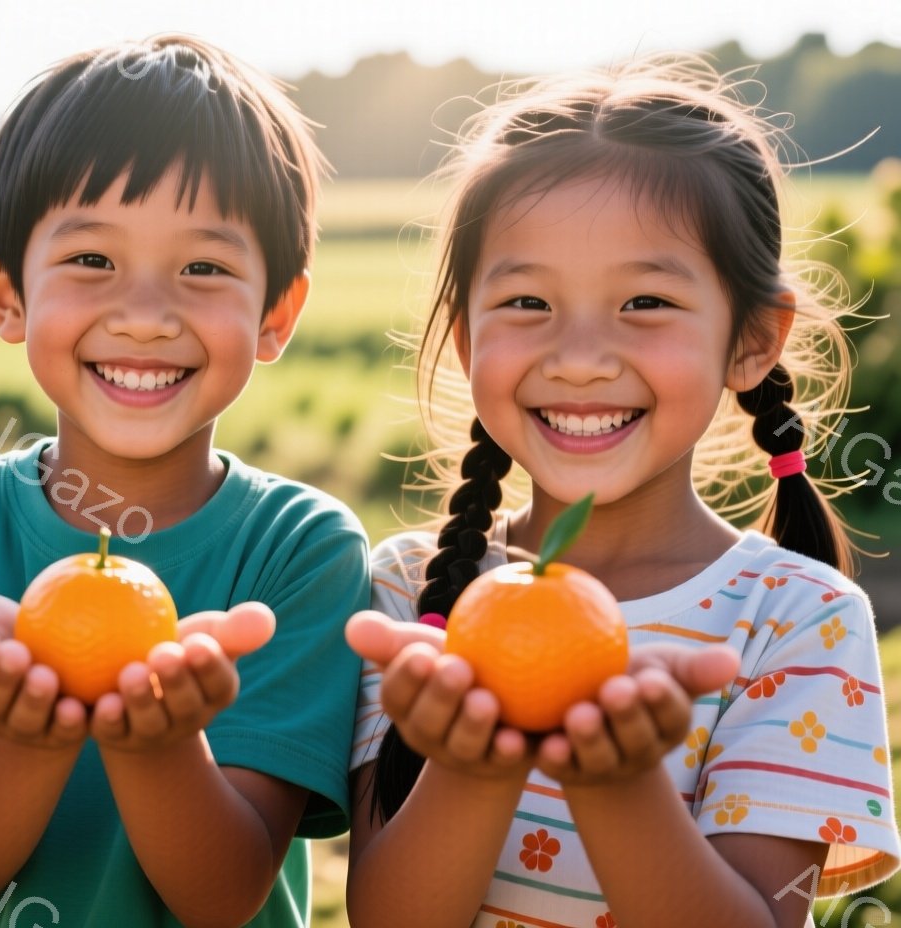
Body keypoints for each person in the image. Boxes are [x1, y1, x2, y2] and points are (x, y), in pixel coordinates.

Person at [344, 56, 900, 928]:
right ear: (466, 338)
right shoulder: (414, 594)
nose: (579, 356)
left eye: (644, 300)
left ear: (753, 340)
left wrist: (618, 784)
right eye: (527, 301)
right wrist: (474, 762)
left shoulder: (799, 618)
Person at [0, 35, 369, 927]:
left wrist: (159, 745)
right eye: (92, 260)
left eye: (204, 267)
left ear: (277, 314)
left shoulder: (302, 551)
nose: (146, 315)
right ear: (6, 293)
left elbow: (223, 894)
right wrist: (24, 733)